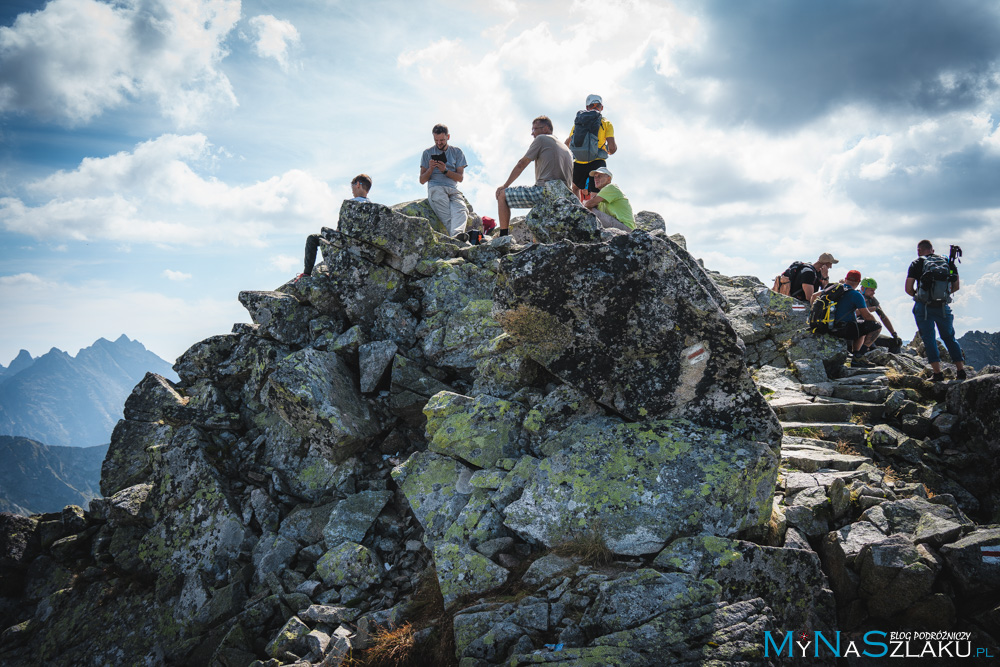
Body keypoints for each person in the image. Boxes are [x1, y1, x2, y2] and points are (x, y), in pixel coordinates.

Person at [495, 116, 574, 236]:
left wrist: (505, 186)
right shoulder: (566, 148)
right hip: (564, 196)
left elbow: (522, 164)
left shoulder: (541, 139)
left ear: (546, 128)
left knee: (502, 195)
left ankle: (503, 236)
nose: (532, 133)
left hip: (545, 191)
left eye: (535, 129)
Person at [904, 240, 967, 382]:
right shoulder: (946, 261)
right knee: (949, 337)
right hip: (943, 307)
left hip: (923, 307)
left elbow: (908, 288)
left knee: (929, 338)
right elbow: (956, 286)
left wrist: (919, 296)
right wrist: (942, 295)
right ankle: (961, 371)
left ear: (919, 250)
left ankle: (938, 373)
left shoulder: (917, 263)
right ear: (932, 250)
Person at [298, 174, 372, 279]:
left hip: (344, 241)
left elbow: (340, 228)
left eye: (353, 187)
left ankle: (306, 273)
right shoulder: (371, 206)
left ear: (358, 184)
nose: (352, 191)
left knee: (312, 238)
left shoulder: (350, 204)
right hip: (362, 245)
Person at [419, 124, 469, 235]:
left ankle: (456, 237)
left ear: (448, 137)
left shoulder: (457, 152)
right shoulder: (427, 153)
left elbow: (460, 178)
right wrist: (431, 169)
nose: (439, 143)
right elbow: (422, 180)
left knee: (462, 210)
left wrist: (445, 170)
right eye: (436, 140)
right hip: (436, 188)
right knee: (448, 218)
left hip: (453, 189)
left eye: (441, 140)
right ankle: (458, 237)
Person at [564, 94, 617, 199]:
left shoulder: (578, 124)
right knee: (596, 191)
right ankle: (594, 214)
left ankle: (577, 211)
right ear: (602, 108)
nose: (596, 108)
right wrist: (608, 150)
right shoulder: (606, 123)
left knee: (575, 187)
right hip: (598, 160)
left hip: (578, 161)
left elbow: (567, 143)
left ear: (587, 107)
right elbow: (612, 148)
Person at [827, 270, 882, 366]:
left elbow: (814, 296)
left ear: (846, 279)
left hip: (828, 326)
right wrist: (875, 322)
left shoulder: (834, 289)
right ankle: (858, 356)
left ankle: (856, 353)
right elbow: (867, 316)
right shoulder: (856, 295)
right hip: (844, 329)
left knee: (859, 323)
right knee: (875, 326)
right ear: (858, 282)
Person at [857, 277, 902, 353]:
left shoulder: (872, 299)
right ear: (863, 288)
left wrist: (893, 333)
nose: (874, 293)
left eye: (874, 290)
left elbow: (883, 317)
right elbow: (855, 312)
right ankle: (859, 355)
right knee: (872, 348)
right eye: (871, 290)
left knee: (895, 342)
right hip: (858, 333)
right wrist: (872, 309)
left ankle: (893, 361)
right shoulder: (856, 296)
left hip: (869, 334)